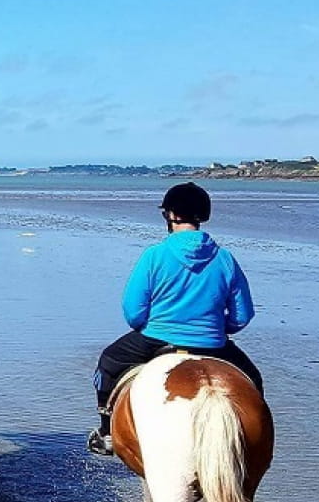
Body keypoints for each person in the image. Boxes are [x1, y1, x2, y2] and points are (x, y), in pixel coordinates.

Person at [87, 182, 264, 456]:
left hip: (156, 337)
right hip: (213, 344)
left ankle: (107, 432)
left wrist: (148, 326)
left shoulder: (154, 256)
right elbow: (243, 315)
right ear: (202, 216)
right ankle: (255, 445)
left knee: (108, 363)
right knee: (253, 380)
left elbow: (133, 311)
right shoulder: (225, 259)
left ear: (170, 215)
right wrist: (217, 329)